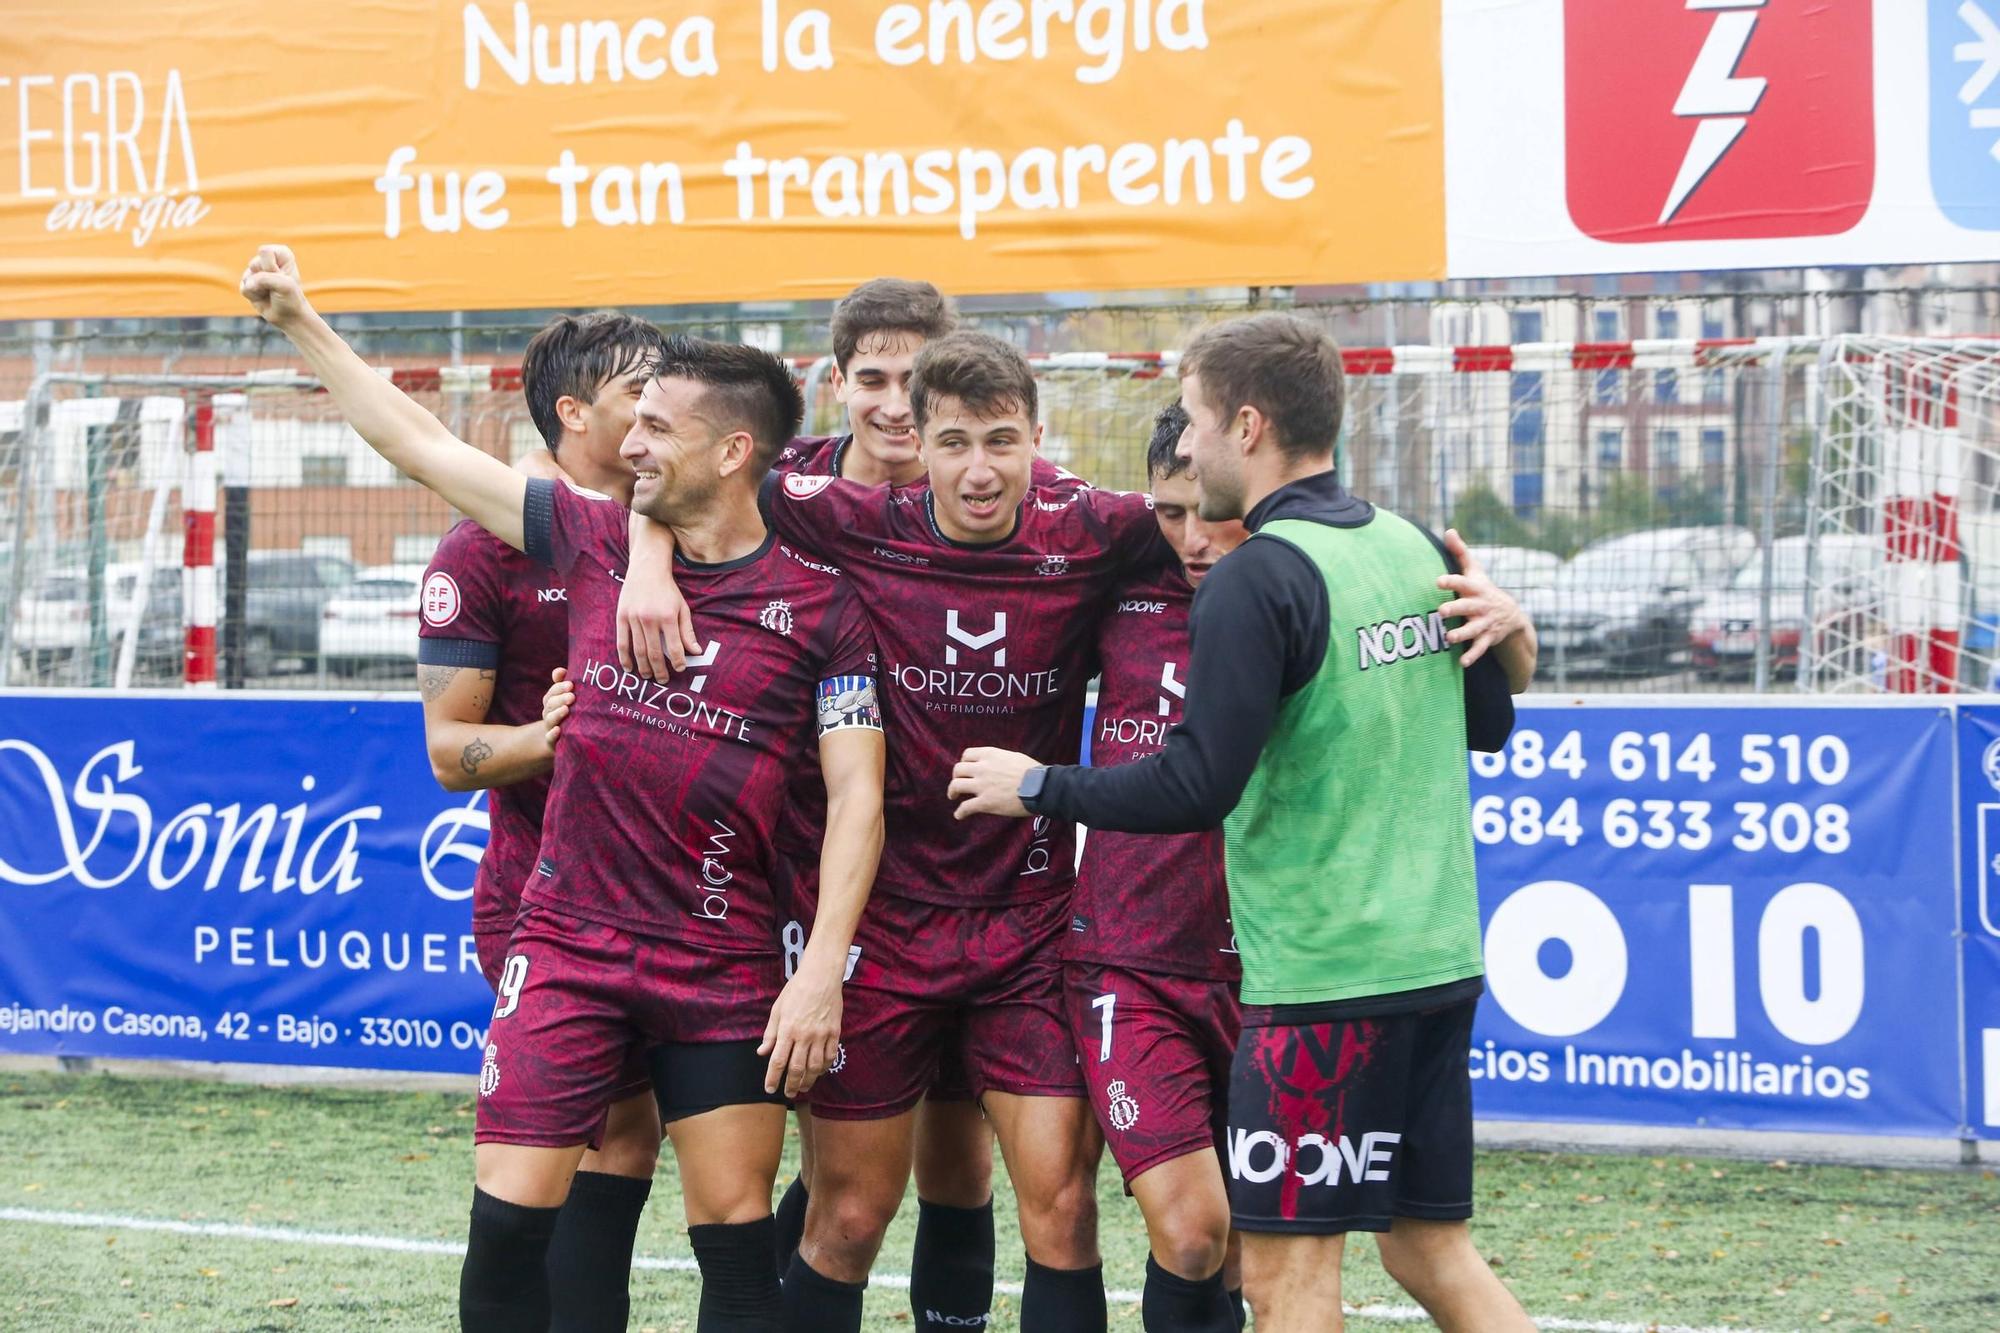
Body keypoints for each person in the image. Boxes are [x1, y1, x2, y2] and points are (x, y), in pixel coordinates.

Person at [241, 244, 886, 1333]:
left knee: (734, 1253)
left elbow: (856, 800)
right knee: (506, 1238)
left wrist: (817, 971)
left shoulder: (821, 611)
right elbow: (418, 442)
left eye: (655, 428)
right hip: (568, 944)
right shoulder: (589, 538)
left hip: (721, 962)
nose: (627, 443)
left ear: (733, 452)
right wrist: (299, 319)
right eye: (629, 419)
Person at [948, 312, 1540, 1333]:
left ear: (1247, 426)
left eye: (1190, 417)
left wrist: (1039, 785)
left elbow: (1193, 788)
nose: (1183, 438)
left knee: (1284, 1282)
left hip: (1321, 980)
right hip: (1436, 960)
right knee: (1426, 1248)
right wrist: (1514, 631)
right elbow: (1487, 722)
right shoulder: (1407, 543)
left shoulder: (1259, 573)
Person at [634, 329, 1173, 1332]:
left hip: (1029, 925)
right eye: (956, 441)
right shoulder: (846, 518)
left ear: (1037, 439)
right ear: (911, 442)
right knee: (845, 1214)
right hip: (882, 928)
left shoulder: (1095, 528)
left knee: (1059, 1208)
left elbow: (1230, 519)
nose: (980, 470)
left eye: (1002, 442)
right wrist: (643, 564)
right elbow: (674, 478)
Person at [416, 311, 666, 1329]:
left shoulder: (690, 522)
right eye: (637, 392)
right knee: (579, 1145)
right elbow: (447, 753)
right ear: (573, 411)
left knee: (635, 1141)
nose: (660, 411)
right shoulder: (482, 550)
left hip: (682, 903)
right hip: (542, 904)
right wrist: (553, 734)